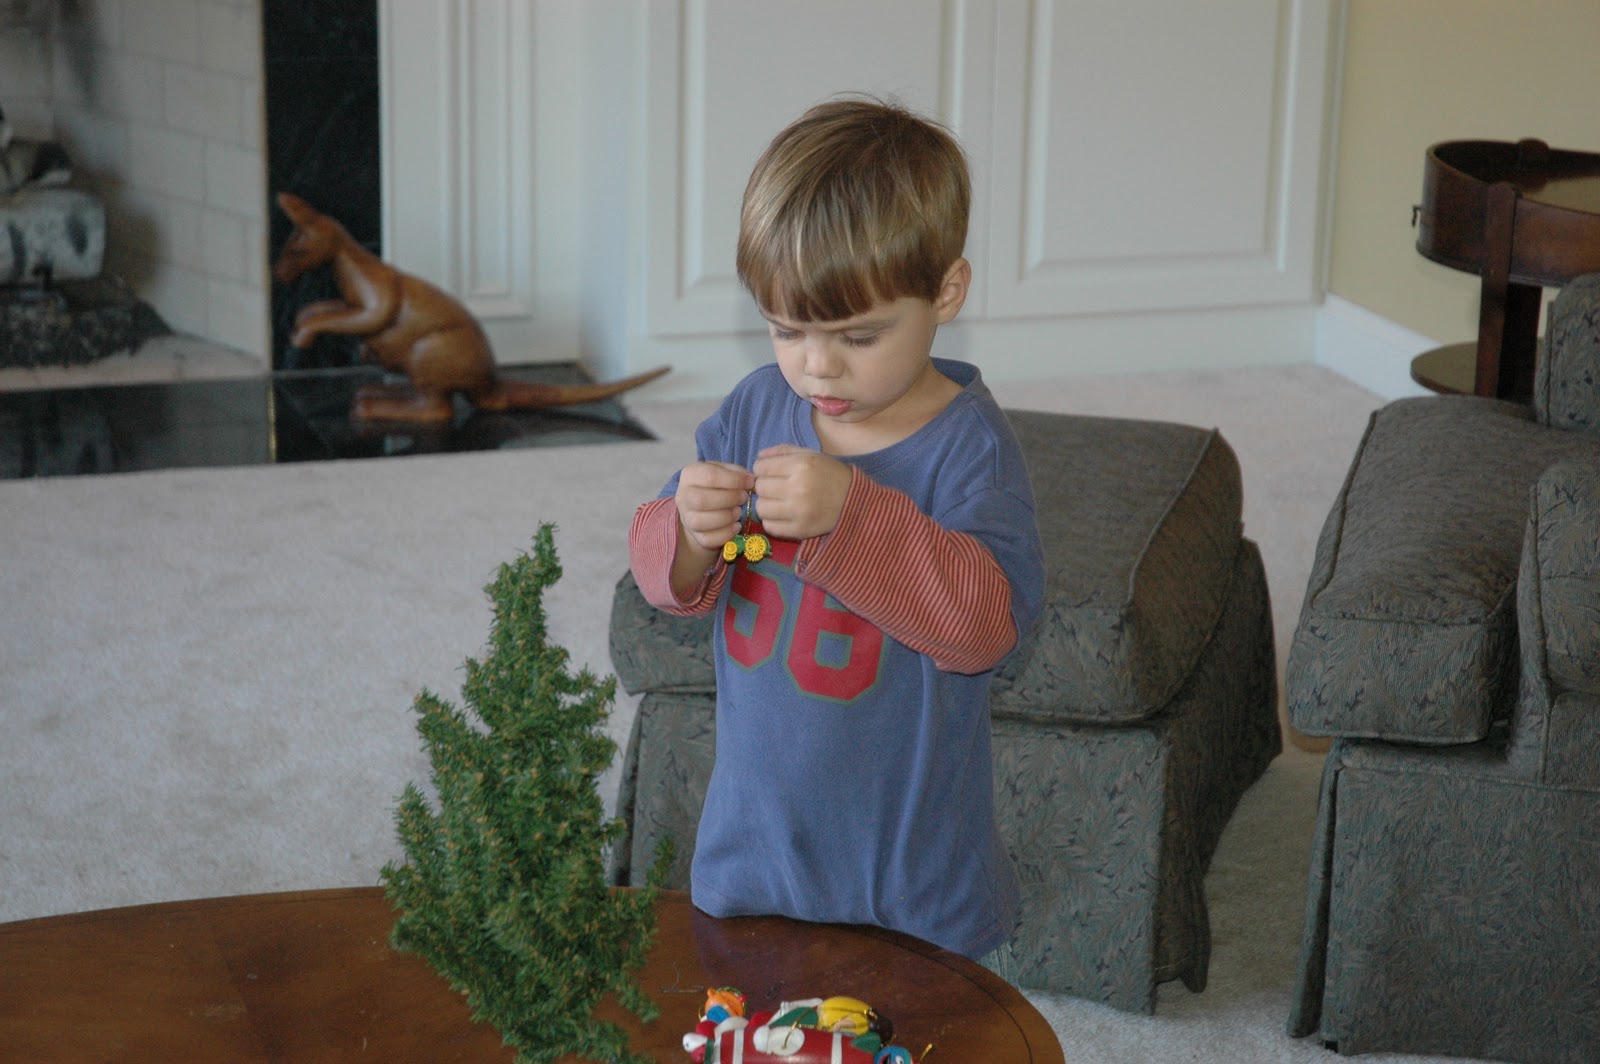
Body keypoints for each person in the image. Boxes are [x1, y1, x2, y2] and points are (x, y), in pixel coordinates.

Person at [627, 96, 1045, 966]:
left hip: (909, 882)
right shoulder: (756, 405)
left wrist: (851, 517)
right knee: (742, 1021)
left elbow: (987, 630)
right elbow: (663, 578)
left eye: (859, 336)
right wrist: (690, 533)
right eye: (787, 330)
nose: (817, 366)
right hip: (750, 856)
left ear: (946, 292)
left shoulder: (968, 450)